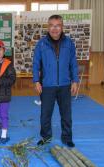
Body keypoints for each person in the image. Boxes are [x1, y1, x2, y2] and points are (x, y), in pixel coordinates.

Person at [32, 14, 79, 148]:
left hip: (65, 85)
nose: (55, 28)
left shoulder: (69, 43)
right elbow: (36, 64)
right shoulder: (41, 44)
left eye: (57, 25)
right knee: (45, 115)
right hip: (47, 85)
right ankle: (46, 137)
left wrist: (75, 80)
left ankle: (67, 137)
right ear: (48, 27)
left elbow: (73, 63)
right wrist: (36, 81)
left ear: (62, 27)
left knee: (66, 114)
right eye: (52, 25)